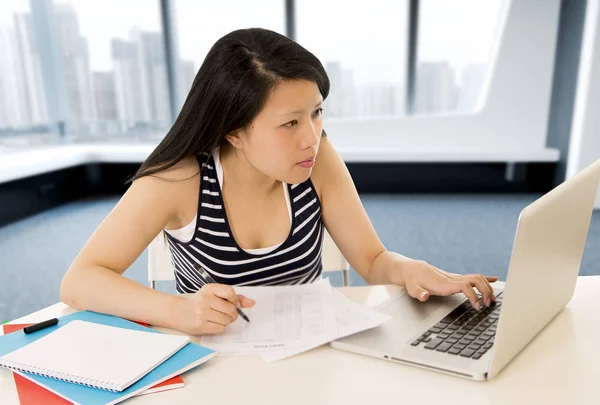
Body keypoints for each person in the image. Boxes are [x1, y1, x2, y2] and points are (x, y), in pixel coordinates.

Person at [60, 28, 497, 336]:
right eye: (289, 122)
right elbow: (80, 281)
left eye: (317, 112)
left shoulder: (317, 156)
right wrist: (179, 310)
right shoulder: (181, 178)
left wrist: (413, 270)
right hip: (217, 357)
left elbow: (373, 259)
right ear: (234, 130)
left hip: (309, 352)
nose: (311, 136)